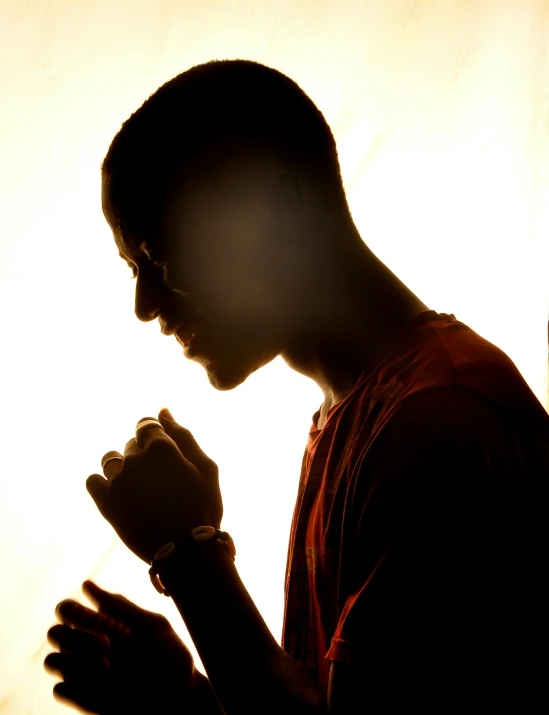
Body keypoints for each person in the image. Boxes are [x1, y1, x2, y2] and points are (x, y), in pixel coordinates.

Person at [44, 60, 549, 713]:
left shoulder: (438, 422)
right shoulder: (361, 411)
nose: (145, 303)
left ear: (280, 212)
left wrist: (193, 559)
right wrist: (180, 700)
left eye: (162, 254)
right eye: (133, 267)